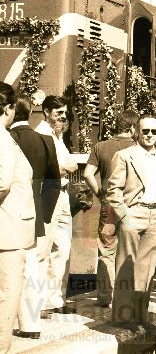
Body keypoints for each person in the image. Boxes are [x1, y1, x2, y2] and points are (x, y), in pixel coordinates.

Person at [106, 114, 156, 324]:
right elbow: (113, 190)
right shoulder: (124, 156)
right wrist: (125, 216)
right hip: (134, 212)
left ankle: (140, 317)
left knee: (147, 269)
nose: (150, 135)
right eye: (146, 131)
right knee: (126, 266)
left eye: (154, 131)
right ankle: (123, 317)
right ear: (136, 131)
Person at [9, 96, 61, 339]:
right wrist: (45, 213)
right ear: (30, 113)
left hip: (6, 213)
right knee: (34, 267)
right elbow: (54, 184)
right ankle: (30, 324)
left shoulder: (8, 139)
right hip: (35, 214)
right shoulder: (45, 140)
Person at [82, 109, 138, 307]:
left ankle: (105, 296)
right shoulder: (139, 148)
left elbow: (88, 174)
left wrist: (99, 193)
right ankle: (127, 297)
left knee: (106, 249)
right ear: (132, 128)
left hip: (108, 206)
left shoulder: (101, 147)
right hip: (132, 208)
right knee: (131, 250)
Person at [34, 95, 78, 314]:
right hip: (48, 195)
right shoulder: (41, 135)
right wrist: (65, 169)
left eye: (64, 113)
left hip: (62, 195)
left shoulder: (58, 136)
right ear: (46, 112)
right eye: (58, 113)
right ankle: (39, 302)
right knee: (43, 249)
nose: (62, 117)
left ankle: (55, 299)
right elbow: (44, 170)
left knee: (62, 249)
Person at [0, 82, 34, 354]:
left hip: (8, 227)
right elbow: (2, 182)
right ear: (9, 108)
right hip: (7, 230)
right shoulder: (1, 136)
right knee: (6, 296)